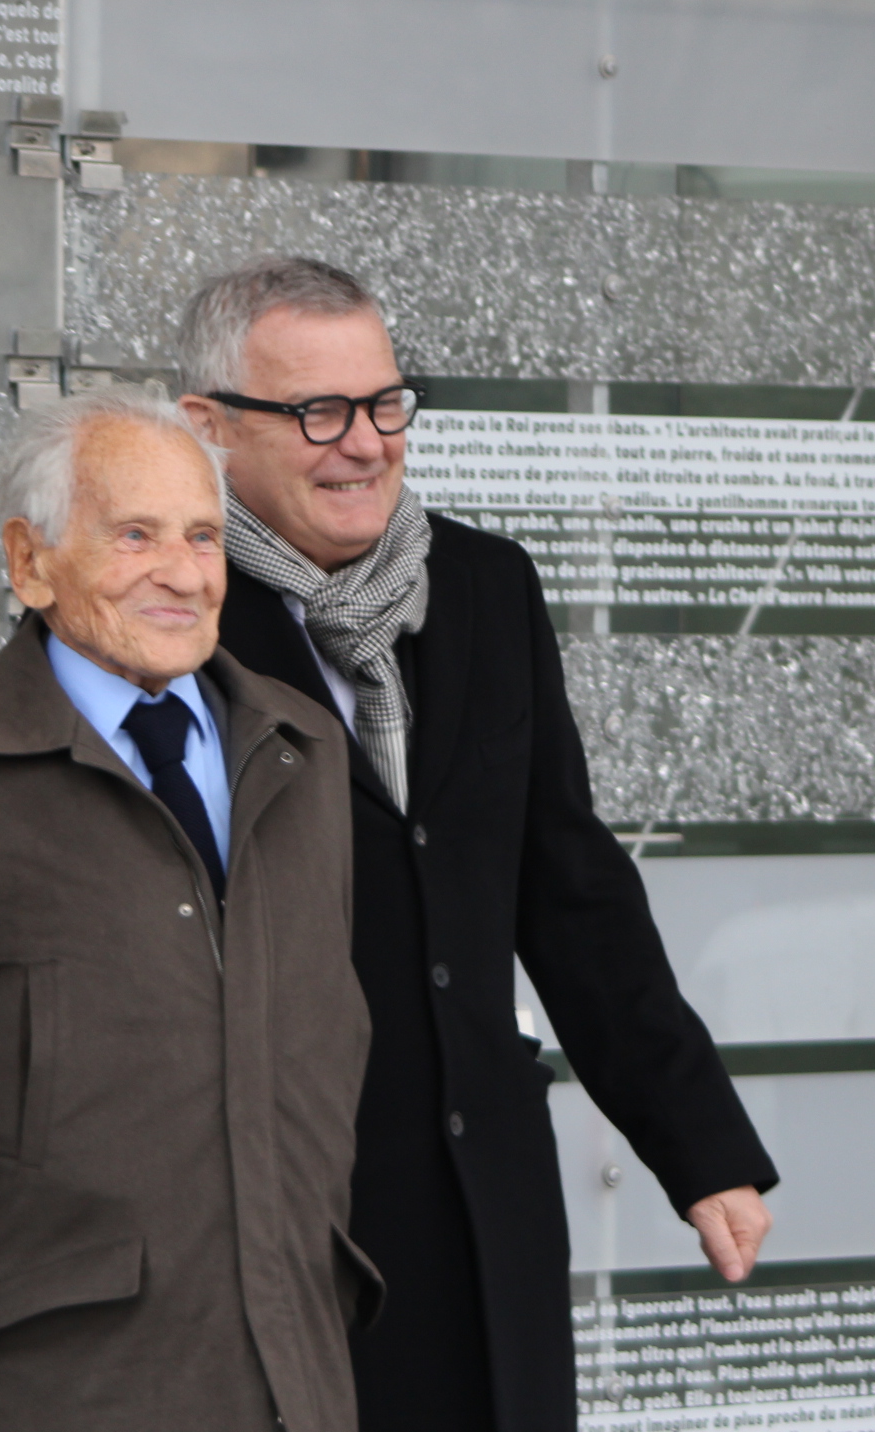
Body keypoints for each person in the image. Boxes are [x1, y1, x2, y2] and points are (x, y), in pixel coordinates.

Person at [174, 256, 778, 1432]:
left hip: (485, 1197)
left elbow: (568, 887)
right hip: (283, 1215)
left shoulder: (488, 587)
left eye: (386, 403)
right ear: (210, 427)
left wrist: (701, 1145)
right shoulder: (167, 616)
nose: (365, 443)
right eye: (318, 412)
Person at [0, 390, 377, 1432]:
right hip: (51, 1395)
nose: (183, 571)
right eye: (135, 534)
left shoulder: (308, 753)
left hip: (295, 1383)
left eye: (202, 535)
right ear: (30, 562)